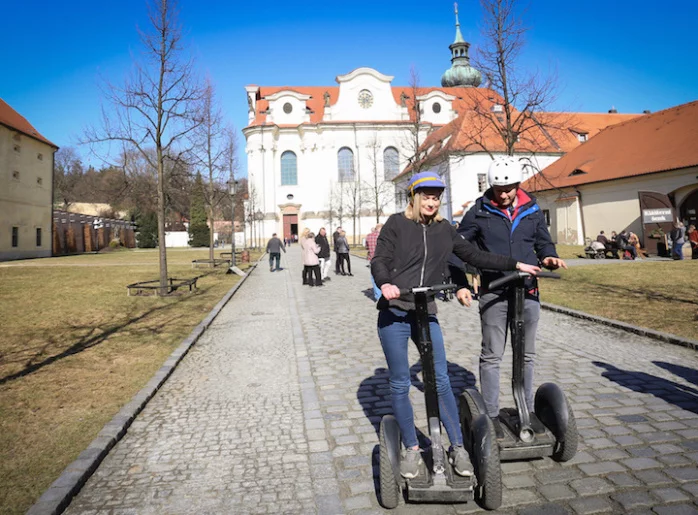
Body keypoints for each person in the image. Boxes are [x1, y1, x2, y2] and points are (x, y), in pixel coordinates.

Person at [372, 170, 540, 479]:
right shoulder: (396, 224)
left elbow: (474, 255)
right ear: (414, 197)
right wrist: (384, 283)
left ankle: (457, 446)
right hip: (394, 312)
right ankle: (411, 448)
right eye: (427, 196)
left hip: (425, 312)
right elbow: (379, 259)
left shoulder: (444, 230)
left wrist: (514, 264)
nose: (432, 202)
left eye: (437, 197)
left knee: (441, 379)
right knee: (399, 382)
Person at [458, 156, 566, 440]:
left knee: (527, 355)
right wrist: (470, 273)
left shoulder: (530, 209)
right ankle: (491, 415)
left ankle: (525, 410)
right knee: (492, 355)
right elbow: (460, 245)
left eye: (508, 189)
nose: (503, 195)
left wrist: (549, 256)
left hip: (527, 291)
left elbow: (542, 241)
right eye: (498, 189)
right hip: (495, 291)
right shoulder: (479, 211)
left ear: (518, 185)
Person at [366, 224, 383, 300]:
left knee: (374, 277)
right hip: (382, 258)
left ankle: (378, 295)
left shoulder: (369, 236)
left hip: (372, 259)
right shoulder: (383, 236)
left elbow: (367, 247)